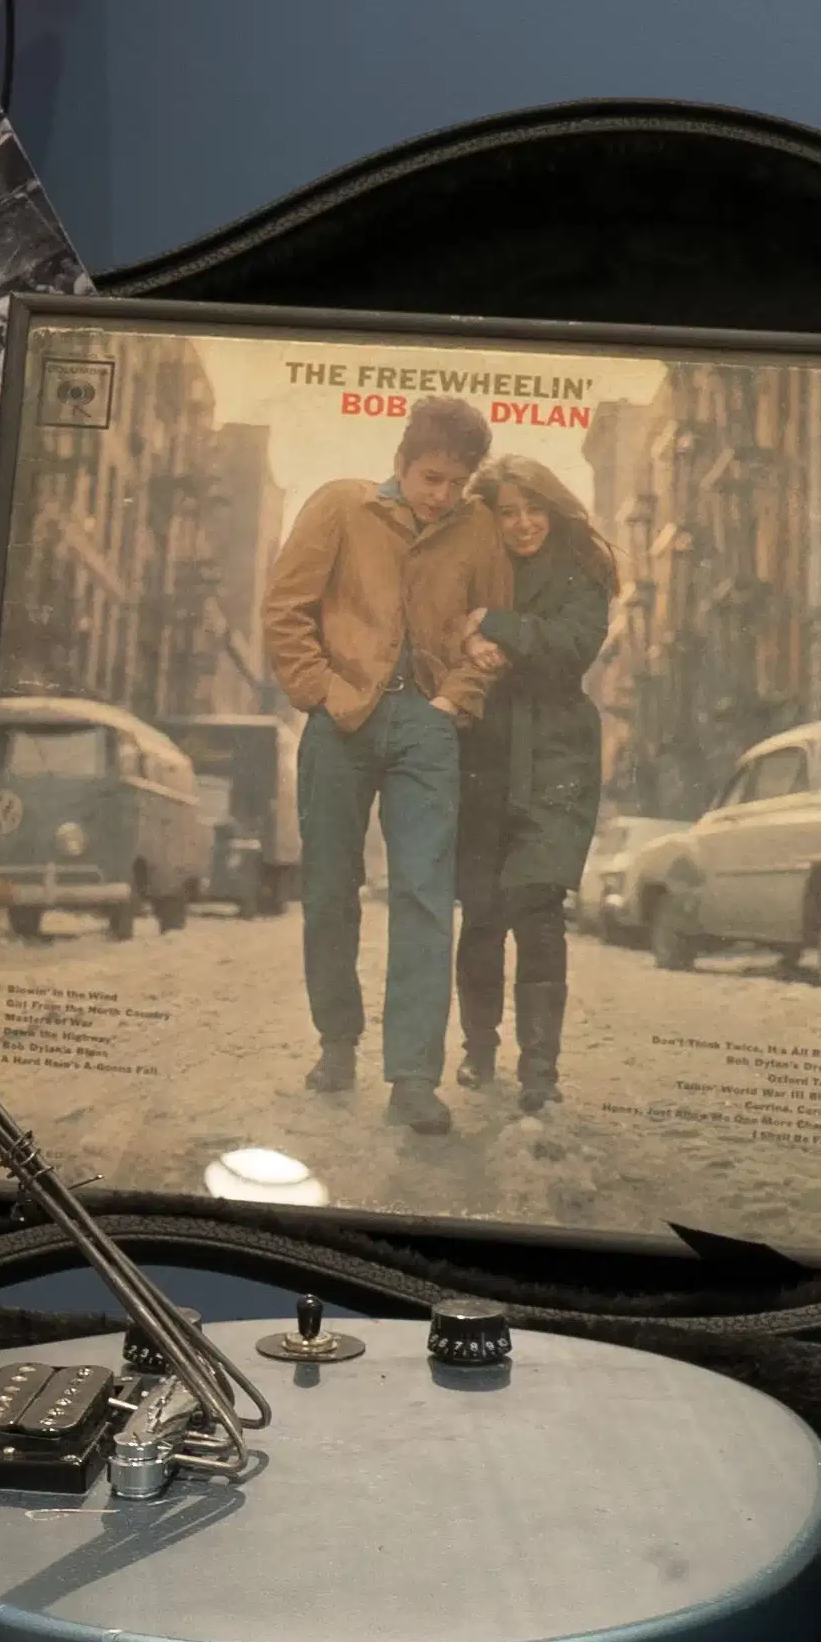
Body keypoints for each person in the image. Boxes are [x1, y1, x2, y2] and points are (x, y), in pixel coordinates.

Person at [255, 393, 516, 1133]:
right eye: (432, 478)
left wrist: (456, 700)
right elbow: (285, 610)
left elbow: (493, 631)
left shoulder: (478, 531)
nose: (442, 496)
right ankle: (337, 1044)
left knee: (426, 895)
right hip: (340, 722)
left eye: (457, 483)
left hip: (427, 727)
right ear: (402, 462)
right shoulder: (341, 506)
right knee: (330, 888)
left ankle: (413, 1079)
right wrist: (323, 693)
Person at [451, 454, 619, 1114]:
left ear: (553, 509)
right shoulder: (472, 564)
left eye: (534, 510)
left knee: (539, 910)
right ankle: (478, 1051)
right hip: (483, 755)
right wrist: (466, 640)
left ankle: (540, 1070)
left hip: (556, 759)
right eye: (508, 513)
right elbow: (434, 623)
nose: (523, 525)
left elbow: (569, 650)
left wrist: (491, 623)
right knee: (482, 914)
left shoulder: (584, 571)